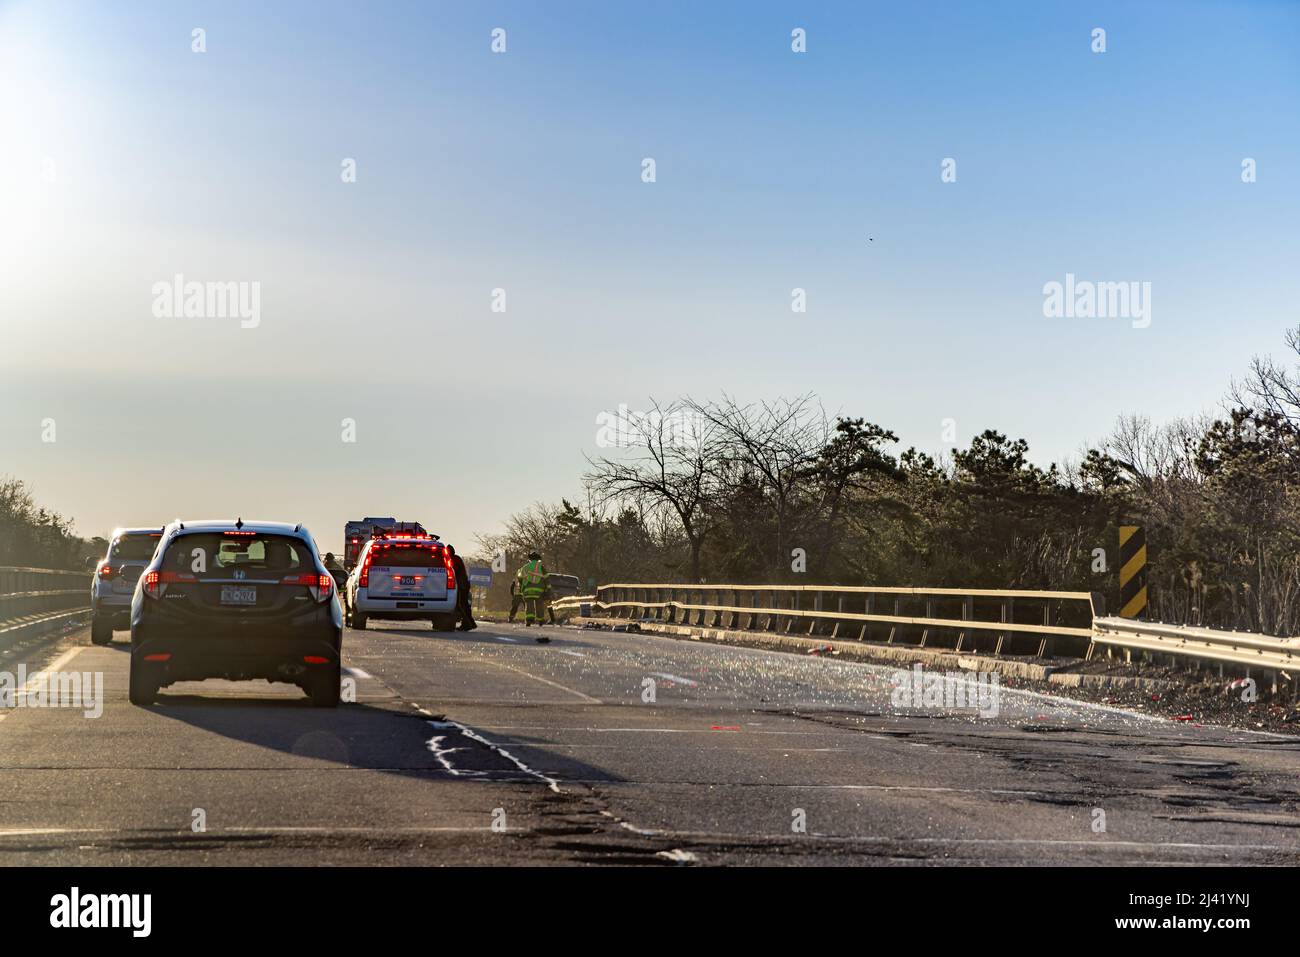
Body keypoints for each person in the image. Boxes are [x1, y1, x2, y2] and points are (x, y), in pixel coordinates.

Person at [516, 551, 549, 642]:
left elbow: (519, 577)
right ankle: (540, 620)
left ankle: (529, 620)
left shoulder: (525, 567)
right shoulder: (541, 567)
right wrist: (548, 589)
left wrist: (522, 586)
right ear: (538, 559)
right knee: (539, 605)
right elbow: (546, 578)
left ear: (529, 559)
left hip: (527, 590)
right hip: (539, 591)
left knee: (529, 605)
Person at [446, 545, 476, 631]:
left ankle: (468, 624)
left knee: (462, 605)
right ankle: (470, 623)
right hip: (462, 585)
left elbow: (453, 570)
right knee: (463, 605)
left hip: (462, 585)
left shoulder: (454, 559)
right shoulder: (455, 558)